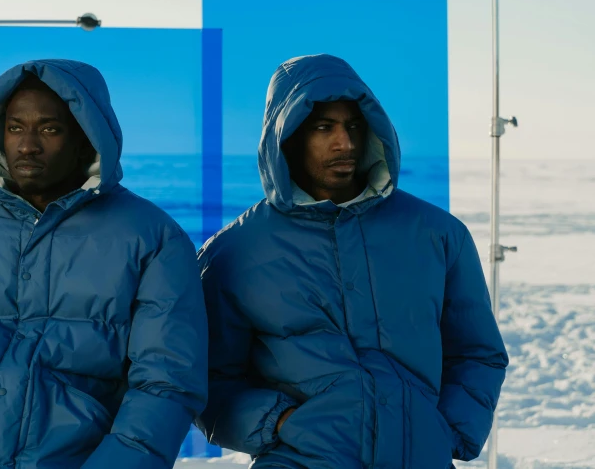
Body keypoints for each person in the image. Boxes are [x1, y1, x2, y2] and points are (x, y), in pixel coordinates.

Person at [0, 60, 208, 469]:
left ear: (86, 136)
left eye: (49, 129)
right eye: (15, 128)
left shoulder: (152, 237)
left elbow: (166, 385)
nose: (27, 145)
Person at [197, 54, 508, 468]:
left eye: (354, 126)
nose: (344, 143)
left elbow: (477, 353)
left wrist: (447, 431)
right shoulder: (233, 253)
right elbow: (208, 383)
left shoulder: (437, 235)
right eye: (324, 127)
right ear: (287, 136)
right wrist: (280, 423)